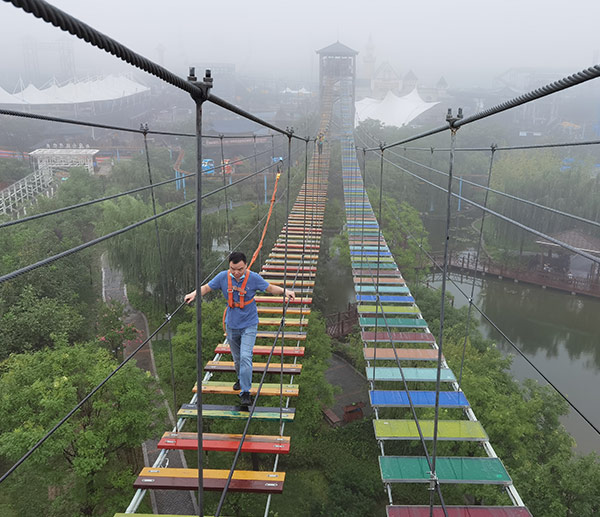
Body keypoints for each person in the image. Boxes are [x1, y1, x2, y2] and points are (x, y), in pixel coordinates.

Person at [184, 251, 296, 407]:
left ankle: (245, 392)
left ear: (246, 266)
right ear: (229, 266)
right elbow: (207, 288)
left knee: (245, 357)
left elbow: (269, 288)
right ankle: (241, 378)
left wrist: (285, 291)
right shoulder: (223, 277)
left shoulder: (253, 278)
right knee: (237, 359)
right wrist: (193, 294)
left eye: (240, 269)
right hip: (231, 325)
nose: (236, 272)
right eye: (233, 269)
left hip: (249, 324)